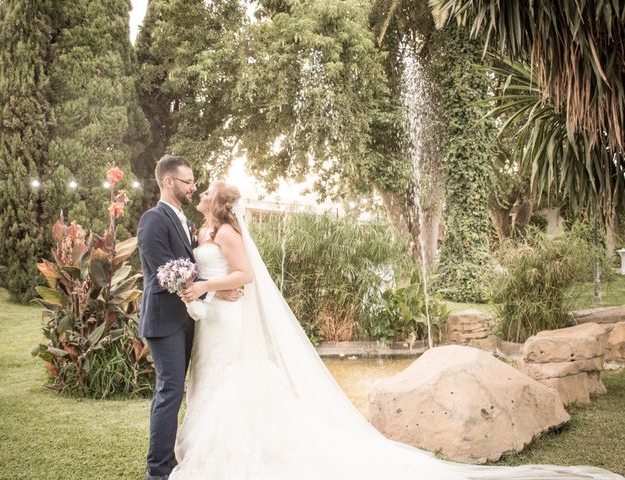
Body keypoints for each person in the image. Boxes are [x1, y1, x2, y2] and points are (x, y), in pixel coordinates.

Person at [170, 180, 623, 480]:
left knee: (236, 380)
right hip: (215, 320)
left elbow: (245, 275)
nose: (203, 193)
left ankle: (235, 454)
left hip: (228, 321)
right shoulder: (205, 233)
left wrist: (206, 284)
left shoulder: (227, 233)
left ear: (221, 203)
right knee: (216, 379)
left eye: (208, 190)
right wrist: (197, 286)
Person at [137, 156, 240, 480]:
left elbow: (194, 271)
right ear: (169, 182)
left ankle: (178, 456)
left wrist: (211, 289)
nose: (193, 188)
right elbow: (165, 273)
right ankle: (158, 470)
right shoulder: (153, 220)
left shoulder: (189, 223)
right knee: (170, 391)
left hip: (188, 320)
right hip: (163, 320)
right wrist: (213, 292)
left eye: (195, 183)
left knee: (183, 390)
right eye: (188, 182)